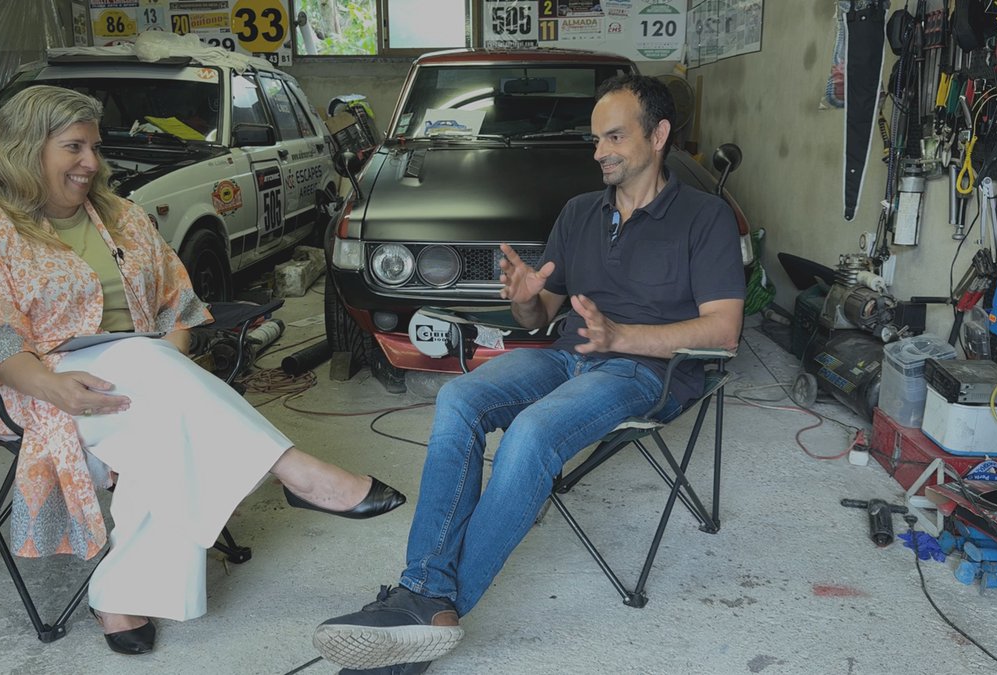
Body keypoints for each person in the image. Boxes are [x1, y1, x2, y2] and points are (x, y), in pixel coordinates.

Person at [0, 85, 406, 656]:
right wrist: (55, 383)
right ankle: (296, 471)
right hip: (39, 387)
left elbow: (176, 308)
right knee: (153, 382)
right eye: (74, 148)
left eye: (95, 147)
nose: (92, 163)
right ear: (24, 150)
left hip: (146, 377)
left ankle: (118, 597)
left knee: (156, 397)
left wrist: (168, 361)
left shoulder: (124, 218)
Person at [312, 74, 746, 674]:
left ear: (660, 135)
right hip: (569, 355)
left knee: (533, 435)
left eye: (614, 137)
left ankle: (428, 616)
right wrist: (523, 298)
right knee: (459, 399)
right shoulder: (579, 212)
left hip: (648, 372)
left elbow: (724, 330)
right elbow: (543, 311)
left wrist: (625, 337)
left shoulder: (705, 217)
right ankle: (426, 592)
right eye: (596, 140)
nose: (600, 153)